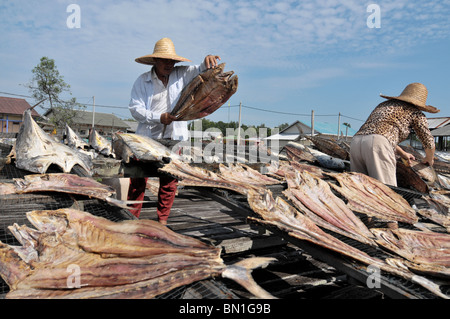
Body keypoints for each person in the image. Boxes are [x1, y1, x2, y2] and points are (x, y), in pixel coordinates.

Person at [128, 37, 221, 224]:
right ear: (155, 61)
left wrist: (208, 59)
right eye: (165, 60)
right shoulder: (143, 81)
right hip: (147, 138)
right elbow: (135, 109)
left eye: (172, 61)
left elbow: (200, 69)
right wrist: (159, 117)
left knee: (169, 181)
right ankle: (131, 219)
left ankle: (162, 221)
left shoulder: (181, 74)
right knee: (138, 180)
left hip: (174, 137)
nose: (169, 64)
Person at [350, 82, 439, 187]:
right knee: (386, 191)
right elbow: (428, 140)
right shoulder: (415, 112)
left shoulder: (384, 105)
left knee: (361, 189)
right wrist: (429, 158)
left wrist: (403, 154)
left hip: (356, 142)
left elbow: (379, 135)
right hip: (377, 145)